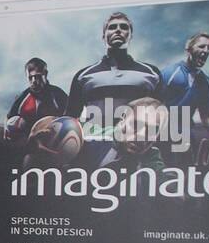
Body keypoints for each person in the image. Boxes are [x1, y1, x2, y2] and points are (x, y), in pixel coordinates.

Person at [66, 12, 162, 166]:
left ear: (130, 35)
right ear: (104, 36)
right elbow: (70, 119)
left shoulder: (151, 74)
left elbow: (160, 118)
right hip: (93, 151)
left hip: (135, 154)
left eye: (124, 27)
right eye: (112, 27)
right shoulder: (83, 76)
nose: (118, 30)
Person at [159, 31, 209, 165]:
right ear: (188, 48)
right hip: (162, 136)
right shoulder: (170, 73)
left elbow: (206, 115)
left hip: (185, 137)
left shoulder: (207, 83)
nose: (206, 50)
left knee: (185, 177)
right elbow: (154, 105)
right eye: (201, 46)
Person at [4, 57, 68, 147]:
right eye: (30, 78)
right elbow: (9, 118)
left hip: (56, 144)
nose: (34, 81)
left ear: (45, 74)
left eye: (37, 76)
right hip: (30, 145)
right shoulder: (23, 97)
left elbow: (72, 120)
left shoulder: (58, 94)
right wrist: (7, 128)